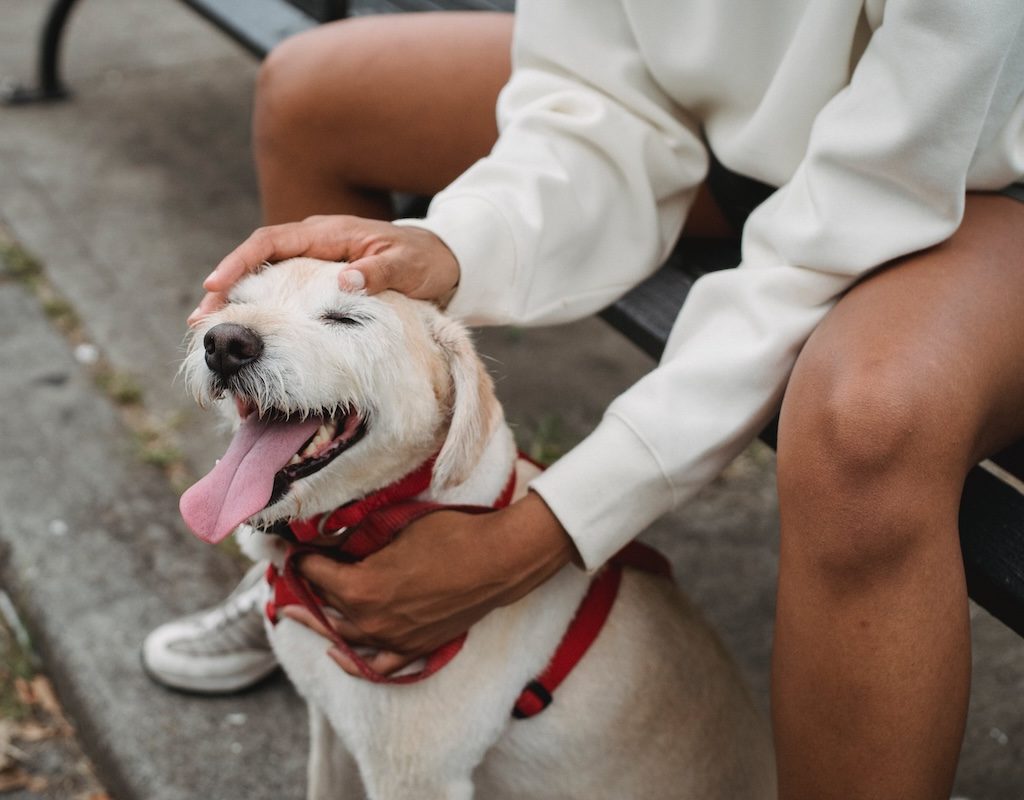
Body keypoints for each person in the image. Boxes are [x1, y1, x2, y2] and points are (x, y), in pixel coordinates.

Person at [143, 2, 1024, 797]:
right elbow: (591, 99)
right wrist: (443, 247)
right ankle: (312, 550)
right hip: (737, 134)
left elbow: (872, 202)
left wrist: (541, 533)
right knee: (310, 93)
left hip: (967, 165)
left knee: (868, 416)